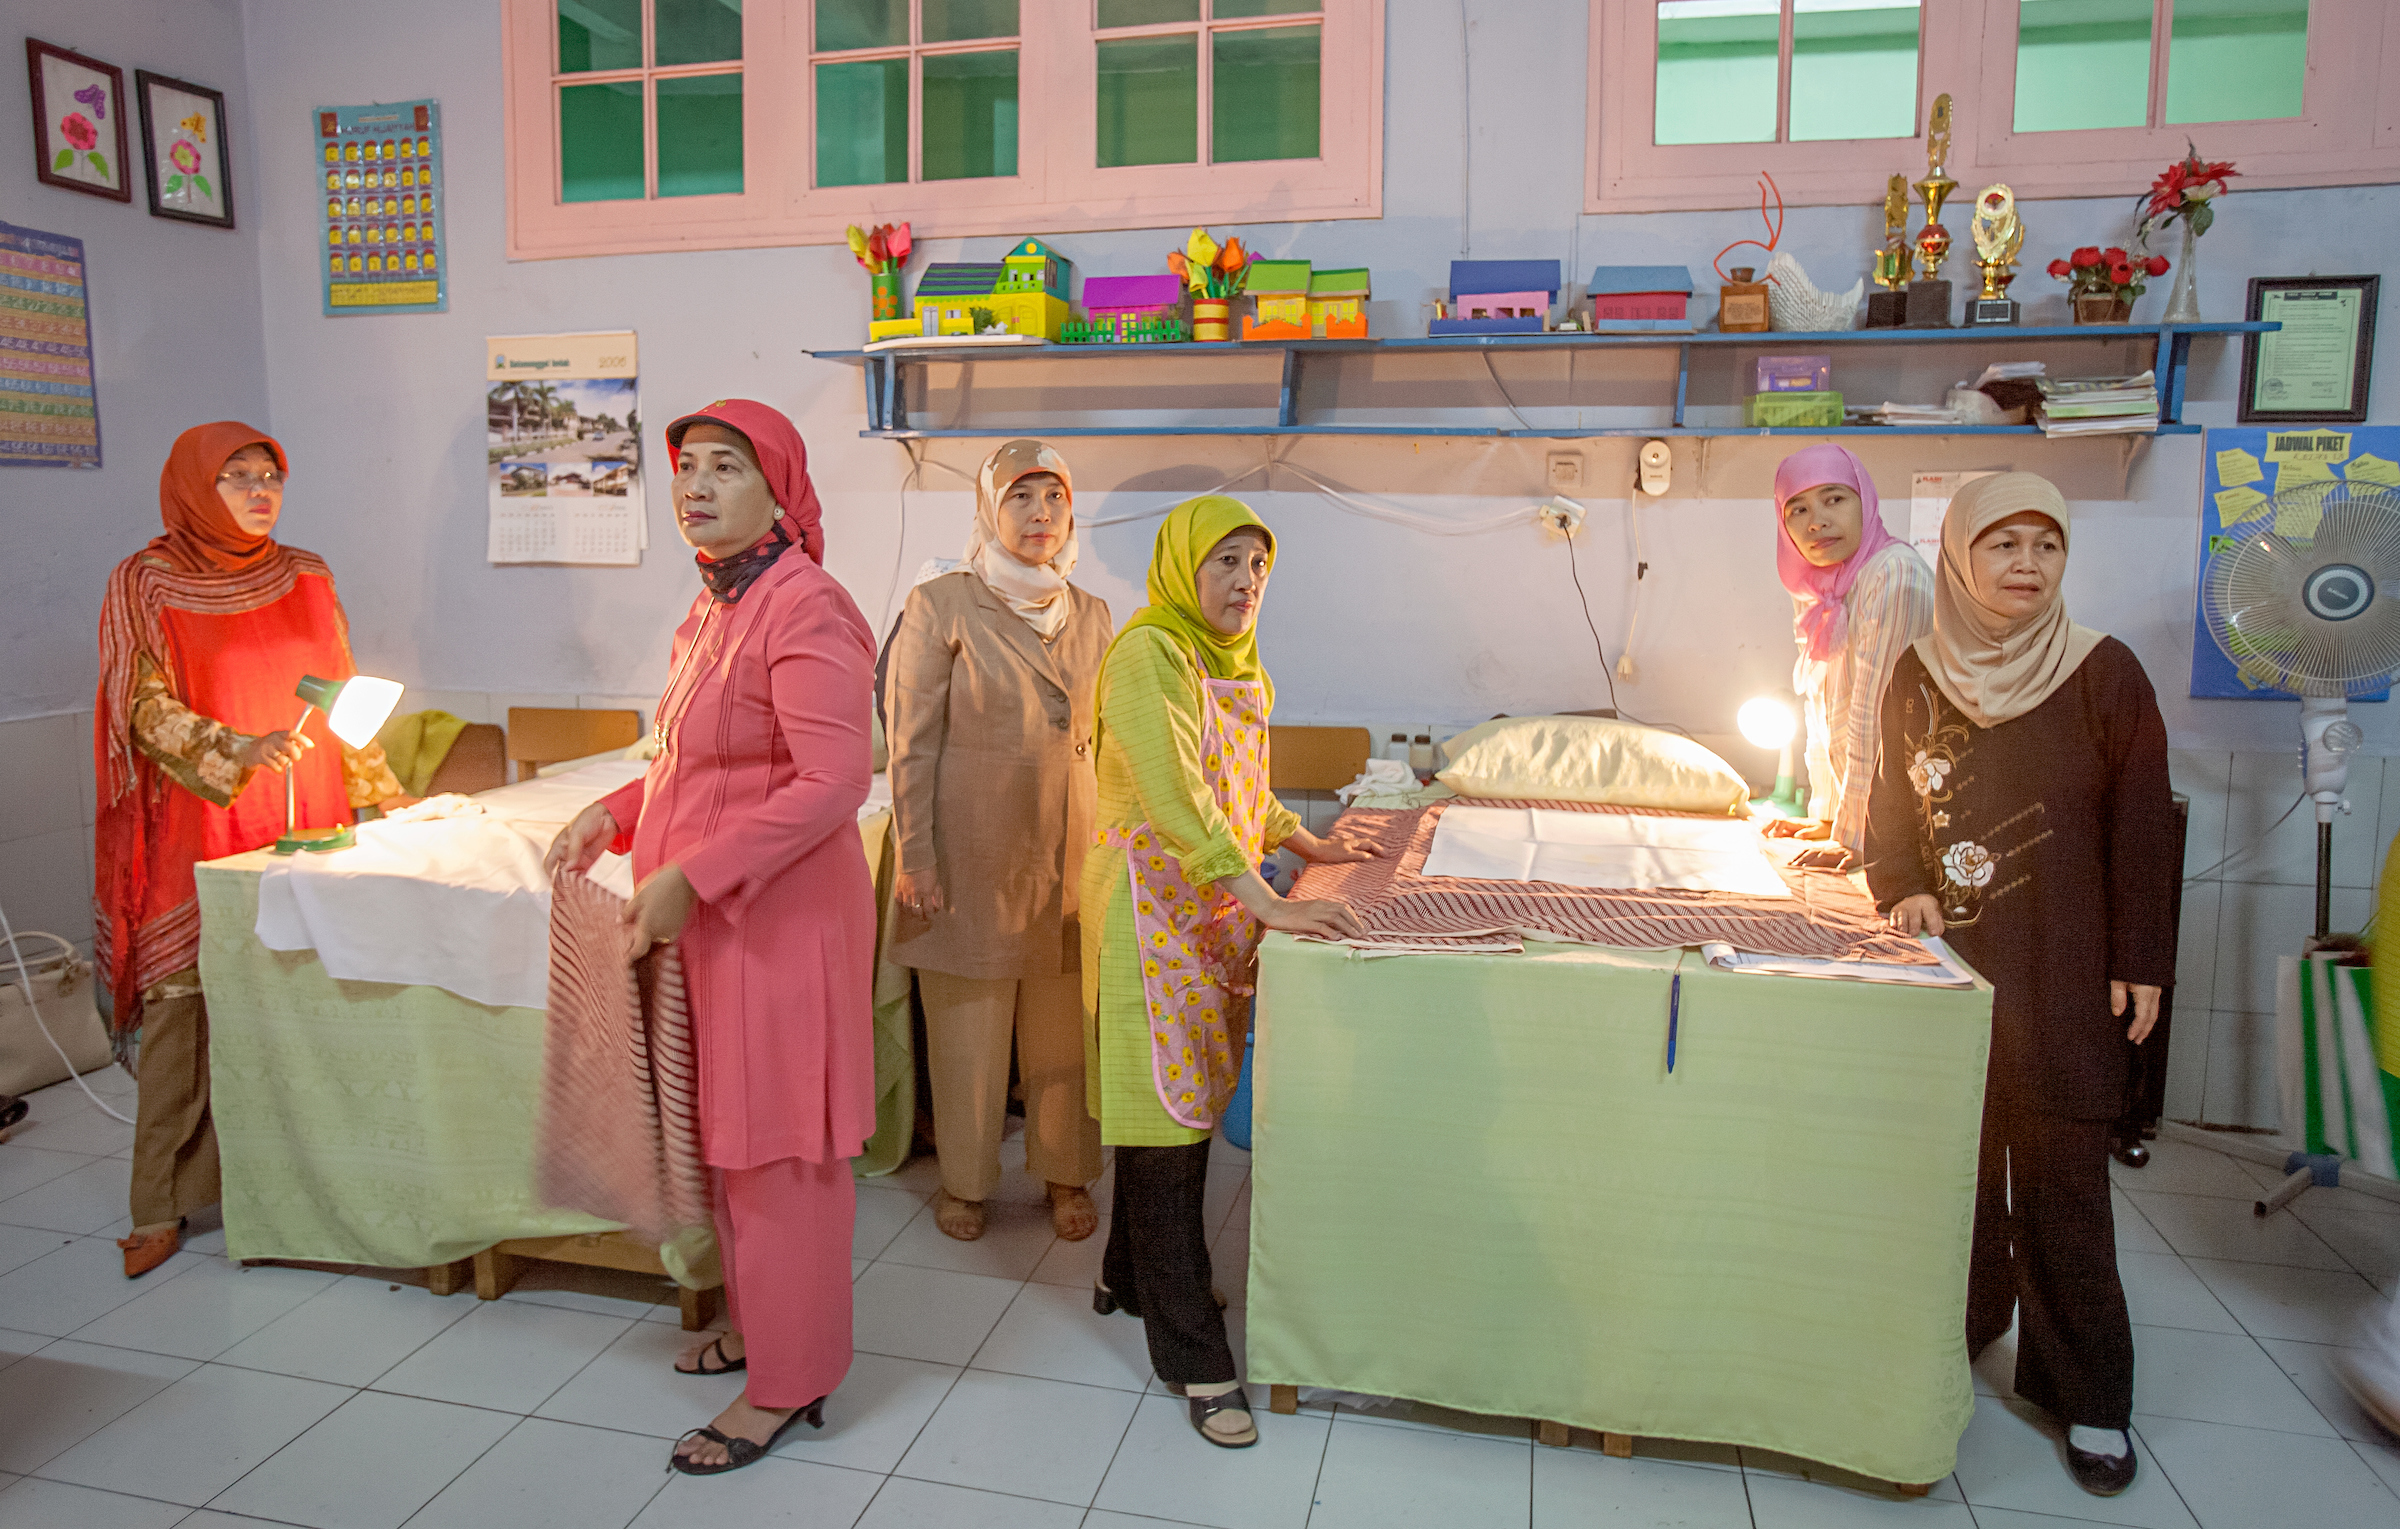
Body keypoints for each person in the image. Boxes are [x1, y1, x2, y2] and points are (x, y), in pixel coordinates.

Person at [545, 400, 876, 1477]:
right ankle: (763, 1330)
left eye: (726, 468)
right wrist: (625, 811)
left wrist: (696, 871)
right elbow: (704, 760)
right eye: (686, 467)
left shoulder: (805, 605)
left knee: (778, 1147)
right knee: (731, 1137)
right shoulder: (713, 609)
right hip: (718, 919)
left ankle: (790, 1380)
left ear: (779, 491)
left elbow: (835, 780)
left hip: (778, 922)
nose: (695, 485)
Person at [1863, 472, 2176, 1498]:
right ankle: (1962, 1327)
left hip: (2069, 967)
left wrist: (2140, 960)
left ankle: (2086, 1389)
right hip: (1955, 964)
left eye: (2047, 544)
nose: (2027, 566)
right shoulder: (1917, 670)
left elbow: (2139, 822)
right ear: (1959, 554)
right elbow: (1890, 808)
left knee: (2064, 1181)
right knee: (1952, 1171)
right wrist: (1902, 886)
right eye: (2004, 544)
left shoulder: (2105, 673)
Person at [1081, 494, 1379, 1448]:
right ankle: (1194, 1358)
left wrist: (1320, 846)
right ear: (1181, 568)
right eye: (1227, 564)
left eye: (1258, 566)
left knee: (1182, 1103)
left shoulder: (1232, 662)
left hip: (1206, 910)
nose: (1246, 583)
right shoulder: (1147, 654)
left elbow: (1241, 794)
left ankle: (1125, 1277)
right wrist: (1274, 901)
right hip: (1147, 912)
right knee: (1163, 1122)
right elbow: (1175, 798)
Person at [94, 422, 405, 1279]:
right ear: (197, 484)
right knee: (185, 1009)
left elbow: (343, 688)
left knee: (309, 993)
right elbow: (140, 707)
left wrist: (383, 790)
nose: (259, 490)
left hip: (312, 809)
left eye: (270, 474)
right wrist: (235, 748)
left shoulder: (306, 573)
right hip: (208, 815)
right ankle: (158, 1203)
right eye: (235, 476)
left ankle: (309, 1181)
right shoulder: (146, 581)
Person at [886, 440, 1108, 1244]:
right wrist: (915, 854)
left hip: (1069, 853)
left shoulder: (1092, 613)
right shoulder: (943, 602)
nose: (1040, 514)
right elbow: (909, 738)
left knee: (1063, 1034)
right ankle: (966, 1182)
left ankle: (1065, 1174)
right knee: (968, 1029)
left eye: (1054, 497)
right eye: (1021, 497)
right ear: (989, 510)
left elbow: (1107, 738)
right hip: (967, 856)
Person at [1762, 444, 1933, 868]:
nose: (1817, 522)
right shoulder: (1818, 586)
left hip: (1913, 822)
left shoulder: (1894, 574)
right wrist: (1827, 813)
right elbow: (1822, 705)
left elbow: (1878, 715)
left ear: (1865, 501)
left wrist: (1857, 835)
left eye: (1834, 499)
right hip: (1861, 814)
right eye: (1797, 510)